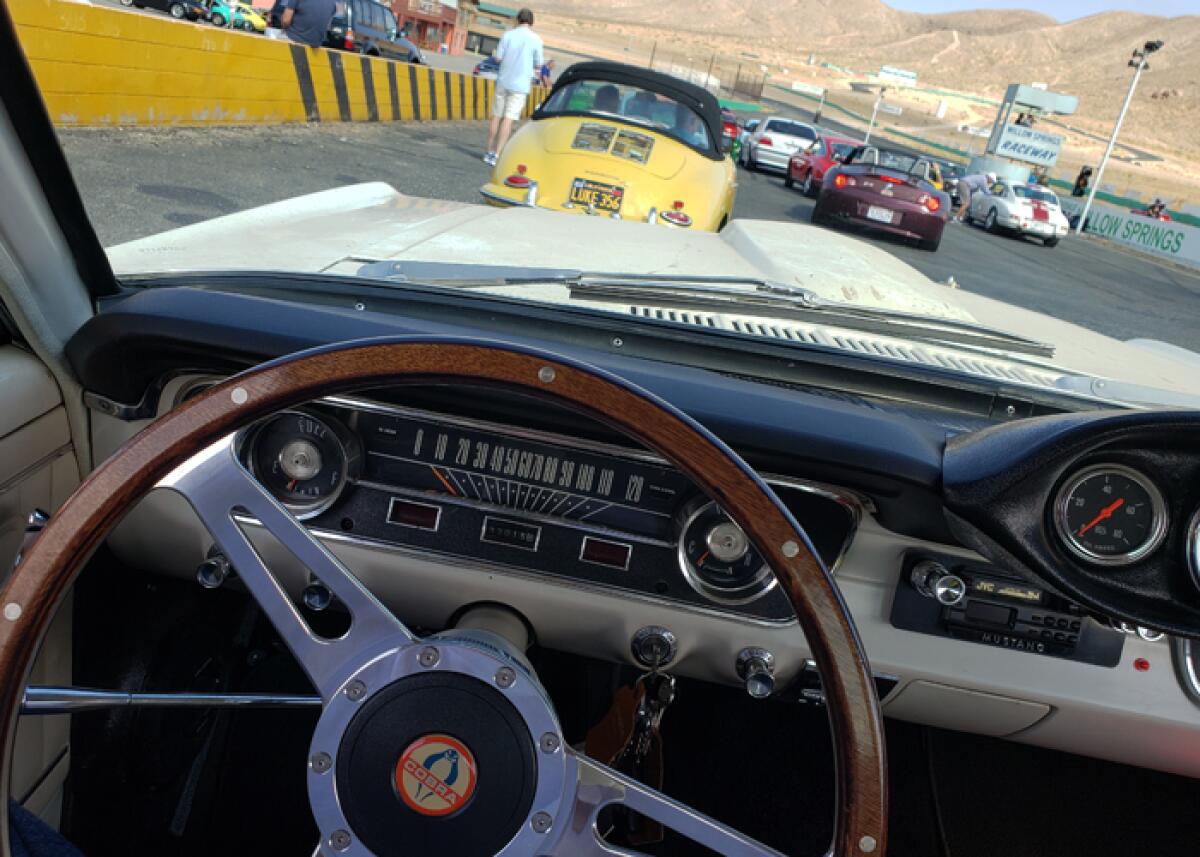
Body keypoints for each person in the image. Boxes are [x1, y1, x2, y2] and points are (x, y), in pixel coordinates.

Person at [483, 7, 543, 167]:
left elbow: (497, 59)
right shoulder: (536, 39)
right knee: (508, 119)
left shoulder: (507, 35)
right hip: (520, 86)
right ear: (531, 22)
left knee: (496, 116)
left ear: (517, 20)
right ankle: (496, 154)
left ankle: (488, 151)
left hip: (503, 81)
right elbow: (538, 64)